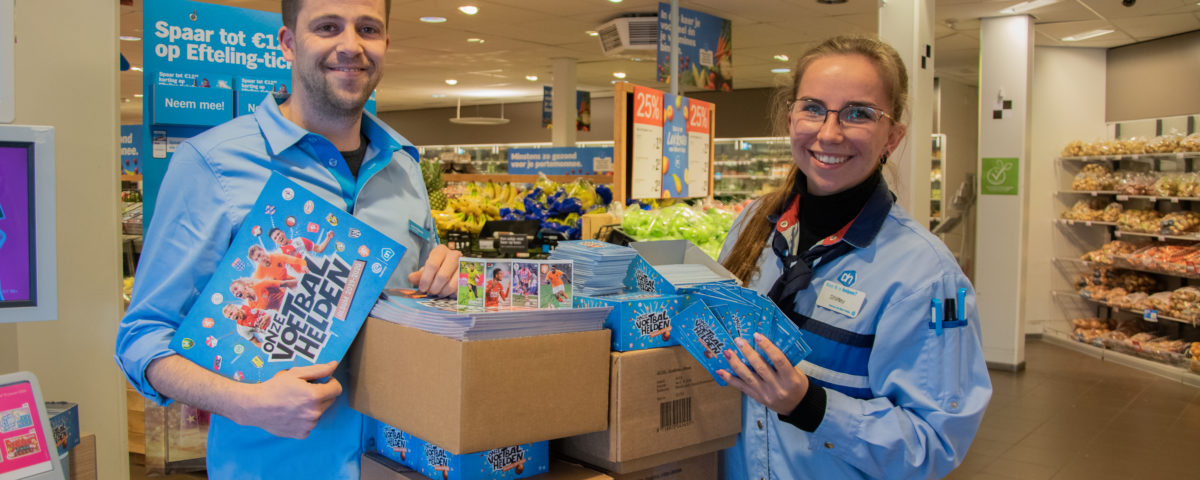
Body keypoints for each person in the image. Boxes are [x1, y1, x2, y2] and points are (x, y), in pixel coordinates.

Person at [114, 1, 463, 478]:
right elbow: (141, 339)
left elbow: (421, 301)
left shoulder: (403, 167)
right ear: (287, 43)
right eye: (327, 27)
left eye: (368, 29)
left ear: (385, 44)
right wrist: (245, 402)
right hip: (275, 466)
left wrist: (448, 280)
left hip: (402, 464)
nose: (351, 45)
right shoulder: (213, 164)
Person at [715, 35, 991, 479]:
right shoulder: (752, 224)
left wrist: (810, 405)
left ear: (892, 137)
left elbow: (934, 445)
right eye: (813, 108)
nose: (829, 133)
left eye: (858, 113)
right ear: (791, 119)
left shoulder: (924, 276)